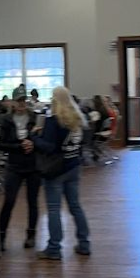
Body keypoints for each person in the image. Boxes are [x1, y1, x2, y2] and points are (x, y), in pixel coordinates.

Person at [35, 88, 91, 259]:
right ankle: (84, 243)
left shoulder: (54, 120)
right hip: (73, 166)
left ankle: (54, 248)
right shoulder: (78, 118)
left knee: (54, 209)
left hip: (56, 170)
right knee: (75, 206)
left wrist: (34, 137)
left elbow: (49, 147)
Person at [0, 93, 43, 250]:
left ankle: (31, 235)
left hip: (33, 165)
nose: (22, 104)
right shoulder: (6, 120)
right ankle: (0, 237)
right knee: (9, 201)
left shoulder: (35, 117)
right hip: (14, 165)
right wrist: (19, 146)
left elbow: (43, 139)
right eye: (18, 101)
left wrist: (33, 143)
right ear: (12, 103)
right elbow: (1, 144)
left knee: (32, 202)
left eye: (24, 100)